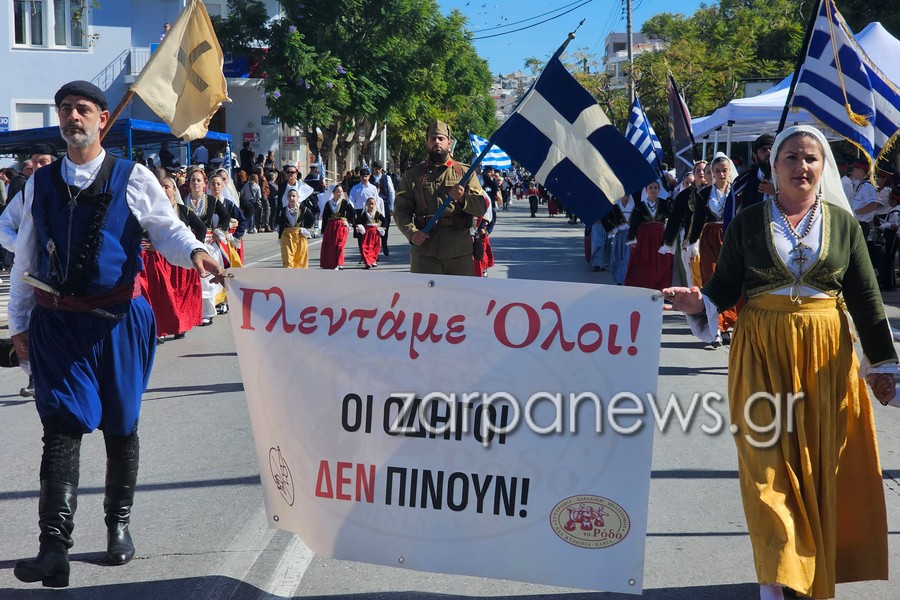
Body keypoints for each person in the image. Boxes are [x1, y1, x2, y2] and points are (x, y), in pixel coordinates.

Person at [663, 125, 896, 600]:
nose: (801, 166)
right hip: (761, 354)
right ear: (774, 166)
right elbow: (724, 286)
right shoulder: (748, 221)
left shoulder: (843, 224)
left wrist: (883, 367)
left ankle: (810, 569)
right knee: (765, 467)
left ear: (823, 167)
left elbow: (867, 298)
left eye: (811, 158)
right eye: (791, 157)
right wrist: (697, 302)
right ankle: (776, 577)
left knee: (821, 465)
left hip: (826, 356)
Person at [10, 80, 224, 589]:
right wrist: (18, 323)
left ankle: (117, 525)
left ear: (102, 119)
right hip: (58, 323)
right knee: (60, 427)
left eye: (82, 109)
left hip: (119, 321)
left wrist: (194, 252)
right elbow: (24, 255)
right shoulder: (39, 183)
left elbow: (166, 229)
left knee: (121, 424)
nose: (72, 117)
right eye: (65, 109)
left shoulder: (134, 176)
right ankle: (53, 548)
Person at [394, 120, 487, 275]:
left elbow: (481, 207)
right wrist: (412, 233)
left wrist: (462, 198)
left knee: (459, 291)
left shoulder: (465, 173)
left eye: (441, 138)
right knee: (423, 291)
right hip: (425, 251)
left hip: (459, 252)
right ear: (427, 142)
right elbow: (400, 210)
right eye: (433, 139)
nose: (437, 142)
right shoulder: (413, 175)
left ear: (449, 143)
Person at [139, 176, 205, 343]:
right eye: (160, 186)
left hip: (177, 261)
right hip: (155, 261)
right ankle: (159, 329)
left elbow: (201, 228)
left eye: (167, 186)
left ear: (174, 190)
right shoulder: (149, 211)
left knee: (178, 295)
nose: (163, 189)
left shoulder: (183, 210)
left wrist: (196, 249)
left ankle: (180, 325)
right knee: (158, 295)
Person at [686, 152, 738, 344]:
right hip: (709, 238)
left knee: (731, 281)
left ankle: (727, 324)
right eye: (717, 171)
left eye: (724, 170)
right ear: (712, 173)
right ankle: (715, 325)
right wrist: (693, 242)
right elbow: (698, 219)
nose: (721, 175)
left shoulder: (736, 191)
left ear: (729, 171)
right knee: (711, 280)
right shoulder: (704, 194)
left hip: (730, 238)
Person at [185, 169, 232, 325]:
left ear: (204, 183)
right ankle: (194, 311)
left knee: (206, 279)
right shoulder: (184, 201)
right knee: (192, 278)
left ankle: (208, 313)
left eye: (198, 180)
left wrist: (220, 231)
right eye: (193, 180)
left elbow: (226, 217)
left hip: (208, 244)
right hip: (189, 244)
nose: (195, 183)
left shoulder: (211, 201)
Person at [623, 180, 673, 291]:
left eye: (655, 188)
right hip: (644, 238)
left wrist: (670, 237)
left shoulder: (664, 203)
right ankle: (643, 286)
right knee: (644, 261)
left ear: (659, 190)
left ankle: (661, 286)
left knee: (662, 261)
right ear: (646, 190)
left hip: (660, 236)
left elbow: (672, 219)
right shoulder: (640, 205)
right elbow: (634, 223)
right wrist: (632, 238)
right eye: (650, 188)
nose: (653, 190)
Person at [723, 133, 775, 230]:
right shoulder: (743, 182)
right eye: (763, 150)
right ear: (755, 156)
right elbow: (731, 215)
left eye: (771, 149)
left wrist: (776, 192)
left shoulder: (788, 178)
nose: (769, 152)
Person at [275, 188, 315, 268]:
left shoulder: (303, 209)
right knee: (288, 259)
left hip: (300, 236)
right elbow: (280, 223)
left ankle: (299, 275)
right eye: (290, 196)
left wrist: (306, 229)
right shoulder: (283, 210)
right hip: (287, 236)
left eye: (293, 196)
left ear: (297, 197)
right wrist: (280, 237)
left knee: (300, 259)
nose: (291, 198)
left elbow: (312, 218)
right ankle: (288, 274)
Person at [319, 183, 354, 270]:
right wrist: (323, 231)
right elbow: (325, 218)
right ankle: (331, 263)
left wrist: (348, 222)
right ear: (333, 192)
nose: (340, 193)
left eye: (341, 192)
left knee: (340, 245)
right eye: (338, 191)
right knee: (331, 246)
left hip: (341, 226)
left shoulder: (345, 203)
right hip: (331, 227)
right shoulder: (328, 204)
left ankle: (340, 263)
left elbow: (352, 213)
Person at [370, 160, 394, 256]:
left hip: (384, 204)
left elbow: (391, 192)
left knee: (385, 225)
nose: (378, 171)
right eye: (376, 169)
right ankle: (374, 247)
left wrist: (392, 207)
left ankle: (384, 244)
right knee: (373, 226)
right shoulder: (370, 178)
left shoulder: (387, 178)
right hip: (373, 206)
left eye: (379, 169)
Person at [355, 195, 386, 268]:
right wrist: (359, 227)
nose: (371, 206)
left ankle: (373, 260)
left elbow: (384, 220)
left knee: (375, 247)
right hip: (367, 233)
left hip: (375, 233)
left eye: (372, 204)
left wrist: (382, 228)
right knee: (364, 247)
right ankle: (367, 262)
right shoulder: (364, 214)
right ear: (366, 205)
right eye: (369, 204)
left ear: (375, 205)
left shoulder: (377, 214)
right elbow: (358, 221)